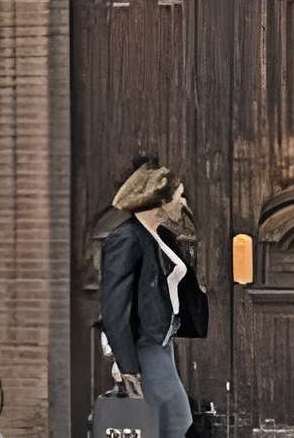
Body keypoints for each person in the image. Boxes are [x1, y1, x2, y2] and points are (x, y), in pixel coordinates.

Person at [100, 160, 206, 438]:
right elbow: (115, 307)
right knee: (175, 422)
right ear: (160, 200)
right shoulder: (126, 239)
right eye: (179, 195)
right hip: (144, 347)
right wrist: (127, 367)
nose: (182, 201)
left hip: (163, 343)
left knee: (170, 422)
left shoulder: (163, 237)